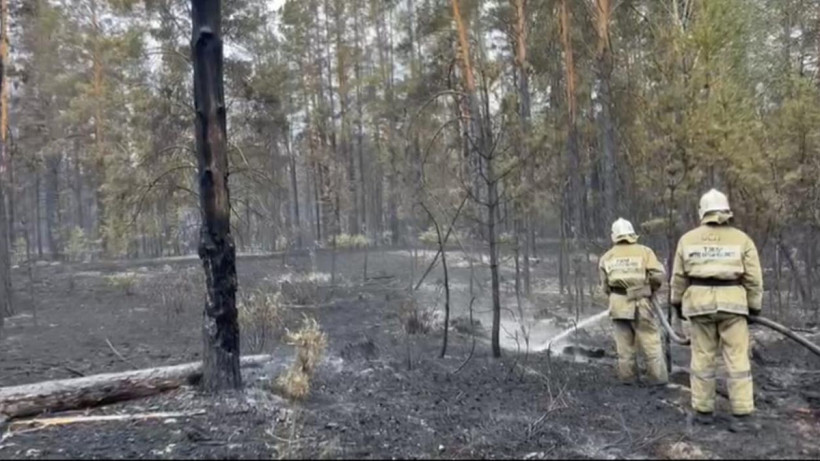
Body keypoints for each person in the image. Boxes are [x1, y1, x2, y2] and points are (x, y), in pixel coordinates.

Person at [670, 189, 763, 432]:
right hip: (733, 305)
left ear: (702, 211)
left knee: (702, 357)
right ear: (726, 210)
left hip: (699, 305)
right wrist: (754, 307)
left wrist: (677, 303)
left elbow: (678, 278)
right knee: (737, 359)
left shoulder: (687, 239)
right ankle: (743, 414)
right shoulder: (742, 239)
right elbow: (753, 279)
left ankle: (703, 412)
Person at [599, 218, 668, 385]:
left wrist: (616, 296)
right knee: (650, 341)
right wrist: (649, 288)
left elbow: (605, 286)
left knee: (624, 345)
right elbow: (658, 275)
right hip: (641, 303)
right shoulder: (645, 252)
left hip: (618, 305)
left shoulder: (606, 257)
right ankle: (657, 379)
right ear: (632, 233)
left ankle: (628, 379)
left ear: (614, 235)